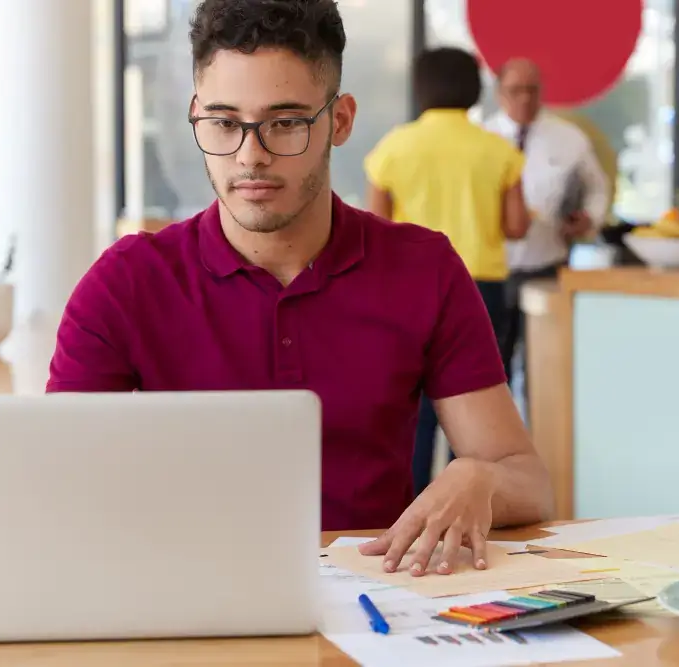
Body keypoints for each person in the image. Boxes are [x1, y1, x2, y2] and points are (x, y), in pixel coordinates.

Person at [46, 0, 551, 576]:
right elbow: (59, 485)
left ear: (339, 120)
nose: (250, 156)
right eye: (224, 122)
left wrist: (480, 477)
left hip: (377, 602)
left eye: (285, 121)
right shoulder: (124, 283)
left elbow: (529, 483)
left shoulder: (424, 268)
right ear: (195, 116)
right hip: (182, 592)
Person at [363, 47, 531, 498]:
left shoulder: (393, 148)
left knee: (413, 409)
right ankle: (466, 507)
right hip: (482, 286)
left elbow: (374, 226)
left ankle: (405, 510)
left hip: (405, 290)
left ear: (420, 89)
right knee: (478, 412)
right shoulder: (498, 150)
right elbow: (516, 226)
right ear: (475, 90)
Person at [482, 58, 609, 403]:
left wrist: (590, 218)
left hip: (546, 265)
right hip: (492, 270)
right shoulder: (482, 139)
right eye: (514, 90)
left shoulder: (569, 139)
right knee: (491, 372)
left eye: (531, 90)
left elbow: (597, 188)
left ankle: (543, 448)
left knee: (546, 369)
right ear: (498, 93)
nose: (524, 98)